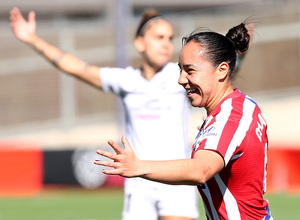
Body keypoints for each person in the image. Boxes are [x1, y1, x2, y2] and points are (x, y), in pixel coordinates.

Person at [10, 7, 199, 220]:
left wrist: (239, 53)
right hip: (138, 181)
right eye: (159, 37)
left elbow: (220, 73)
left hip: (175, 178)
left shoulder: (181, 76)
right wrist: (32, 38)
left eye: (170, 38)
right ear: (139, 43)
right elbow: (76, 67)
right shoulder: (126, 80)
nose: (166, 43)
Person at [94, 22, 274, 220]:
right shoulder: (243, 107)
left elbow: (200, 170)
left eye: (190, 70)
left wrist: (139, 166)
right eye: (180, 69)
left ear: (222, 70)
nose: (181, 79)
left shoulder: (231, 116)